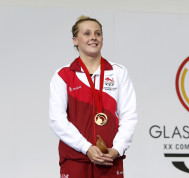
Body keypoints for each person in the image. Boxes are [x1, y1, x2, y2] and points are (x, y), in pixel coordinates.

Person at [49, 15, 137, 178]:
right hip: (75, 159)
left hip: (109, 158)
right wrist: (86, 148)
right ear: (75, 40)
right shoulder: (63, 74)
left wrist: (117, 149)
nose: (93, 38)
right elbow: (57, 120)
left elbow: (129, 116)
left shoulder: (118, 72)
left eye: (97, 33)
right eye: (87, 33)